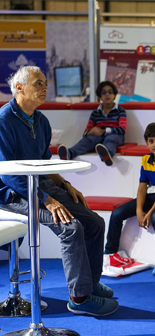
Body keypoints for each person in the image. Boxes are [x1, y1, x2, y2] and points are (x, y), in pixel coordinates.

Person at [0, 66, 118, 316]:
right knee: (70, 227)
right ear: (19, 87)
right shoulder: (3, 121)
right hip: (13, 192)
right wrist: (47, 200)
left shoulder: (41, 121)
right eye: (38, 83)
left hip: (40, 185)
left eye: (45, 83)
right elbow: (8, 174)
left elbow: (46, 163)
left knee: (95, 222)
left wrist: (66, 185)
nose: (44, 88)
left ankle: (89, 283)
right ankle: (80, 297)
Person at [104, 122, 155, 276]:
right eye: (151, 141)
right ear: (147, 142)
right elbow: (142, 187)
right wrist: (139, 211)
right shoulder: (146, 159)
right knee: (117, 213)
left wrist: (149, 212)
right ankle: (110, 253)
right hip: (151, 196)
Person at [58, 81, 126, 166]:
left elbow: (122, 129)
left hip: (115, 135)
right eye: (103, 92)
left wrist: (105, 131)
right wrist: (92, 132)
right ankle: (69, 154)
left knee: (110, 139)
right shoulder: (95, 112)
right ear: (100, 96)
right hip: (97, 136)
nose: (107, 94)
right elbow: (86, 133)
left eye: (110, 92)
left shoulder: (120, 110)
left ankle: (107, 155)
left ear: (115, 95)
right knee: (87, 141)